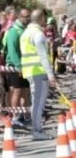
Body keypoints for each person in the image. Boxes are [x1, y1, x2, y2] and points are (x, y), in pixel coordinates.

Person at [21, 8, 57, 140]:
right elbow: (43, 56)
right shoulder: (38, 34)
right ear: (41, 18)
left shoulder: (25, 33)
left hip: (30, 71)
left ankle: (37, 129)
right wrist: (51, 75)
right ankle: (37, 130)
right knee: (39, 102)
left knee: (36, 101)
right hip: (38, 72)